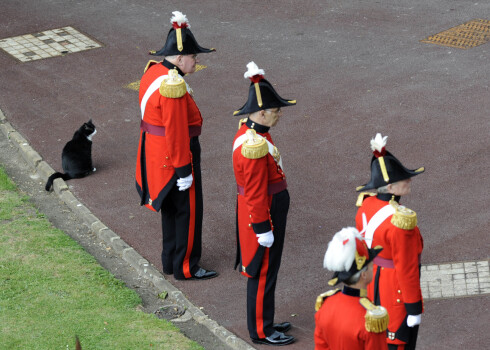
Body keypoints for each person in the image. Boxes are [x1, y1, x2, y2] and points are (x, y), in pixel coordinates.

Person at [135, 11, 217, 280]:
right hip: (177, 154)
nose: (196, 60)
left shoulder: (154, 71)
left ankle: (170, 261)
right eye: (194, 56)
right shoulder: (173, 84)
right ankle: (186, 267)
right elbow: (177, 130)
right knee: (188, 212)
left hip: (156, 151)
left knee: (170, 211)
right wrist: (184, 168)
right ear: (180, 58)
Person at [232, 62, 296, 346]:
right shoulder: (254, 145)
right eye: (275, 111)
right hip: (264, 213)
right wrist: (262, 227)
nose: (279, 115)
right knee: (263, 271)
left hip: (270, 207)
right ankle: (261, 329)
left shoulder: (256, 133)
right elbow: (256, 192)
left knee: (270, 270)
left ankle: (266, 319)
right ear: (260, 113)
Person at [355, 133, 425, 349]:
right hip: (395, 288)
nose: (409, 180)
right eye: (403, 178)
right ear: (391, 187)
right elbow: (406, 268)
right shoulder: (400, 221)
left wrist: (380, 154)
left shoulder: (366, 205)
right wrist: (413, 307)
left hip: (373, 280)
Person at [314, 227, 388, 350]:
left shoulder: (325, 304)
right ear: (363, 275)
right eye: (371, 266)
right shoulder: (370, 319)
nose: (373, 268)